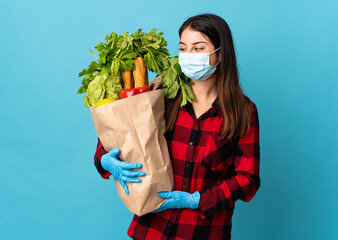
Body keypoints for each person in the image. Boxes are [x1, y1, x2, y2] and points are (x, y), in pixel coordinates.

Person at [94, 13, 260, 240]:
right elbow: (120, 133)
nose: (188, 55)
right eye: (183, 48)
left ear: (220, 54)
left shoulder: (242, 111)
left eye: (198, 48)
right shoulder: (163, 96)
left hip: (202, 232)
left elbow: (247, 178)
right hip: (151, 229)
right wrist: (105, 159)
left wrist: (198, 200)